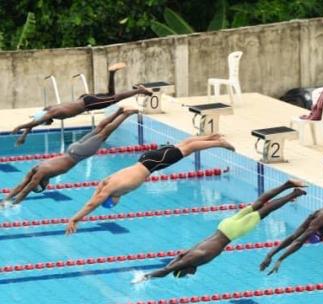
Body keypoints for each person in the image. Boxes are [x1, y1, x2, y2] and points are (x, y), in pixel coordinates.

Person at [137, 179, 307, 281]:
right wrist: (172, 265)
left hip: (232, 232)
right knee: (258, 203)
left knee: (265, 210)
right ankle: (288, 185)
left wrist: (146, 277)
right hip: (224, 225)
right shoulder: (189, 254)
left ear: (184, 268)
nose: (190, 274)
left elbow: (167, 270)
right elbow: (175, 260)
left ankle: (293, 193)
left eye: (185, 274)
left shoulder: (191, 260)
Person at [65, 134, 234, 234]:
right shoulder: (108, 182)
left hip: (152, 164)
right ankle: (213, 137)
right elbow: (97, 191)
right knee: (182, 145)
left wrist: (75, 219)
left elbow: (92, 203)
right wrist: (95, 196)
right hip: (146, 159)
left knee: (186, 149)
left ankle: (218, 143)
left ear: (111, 199)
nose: (117, 203)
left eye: (113, 204)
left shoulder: (111, 189)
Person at [3, 108, 137, 206]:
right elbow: (21, 185)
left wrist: (14, 204)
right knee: (99, 128)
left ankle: (125, 114)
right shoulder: (36, 168)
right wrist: (6, 200)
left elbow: (26, 189)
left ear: (41, 183)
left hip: (78, 154)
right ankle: (119, 111)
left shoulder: (42, 174)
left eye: (44, 186)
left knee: (104, 133)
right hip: (72, 148)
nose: (47, 184)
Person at [11, 63, 152, 146]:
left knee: (115, 98)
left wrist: (20, 127)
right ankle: (112, 73)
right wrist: (24, 134)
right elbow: (35, 121)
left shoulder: (54, 114)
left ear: (47, 119)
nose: (45, 122)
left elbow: (35, 122)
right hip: (85, 99)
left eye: (45, 122)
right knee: (110, 94)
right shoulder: (49, 108)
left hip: (88, 104)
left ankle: (140, 90)